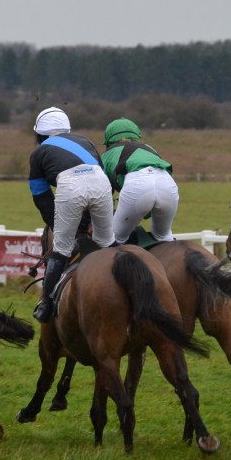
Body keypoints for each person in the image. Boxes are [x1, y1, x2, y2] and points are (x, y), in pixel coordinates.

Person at [28, 106, 115, 322]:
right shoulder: (86, 141)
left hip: (70, 186)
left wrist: (68, 226)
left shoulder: (38, 153)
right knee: (108, 243)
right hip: (101, 183)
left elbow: (42, 198)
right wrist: (90, 222)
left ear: (40, 134)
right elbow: (102, 179)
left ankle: (46, 304)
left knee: (62, 249)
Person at [99, 118, 178, 246]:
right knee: (163, 236)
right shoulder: (149, 148)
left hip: (137, 185)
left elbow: (102, 193)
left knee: (113, 239)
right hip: (167, 184)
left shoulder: (106, 156)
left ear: (108, 140)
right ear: (137, 136)